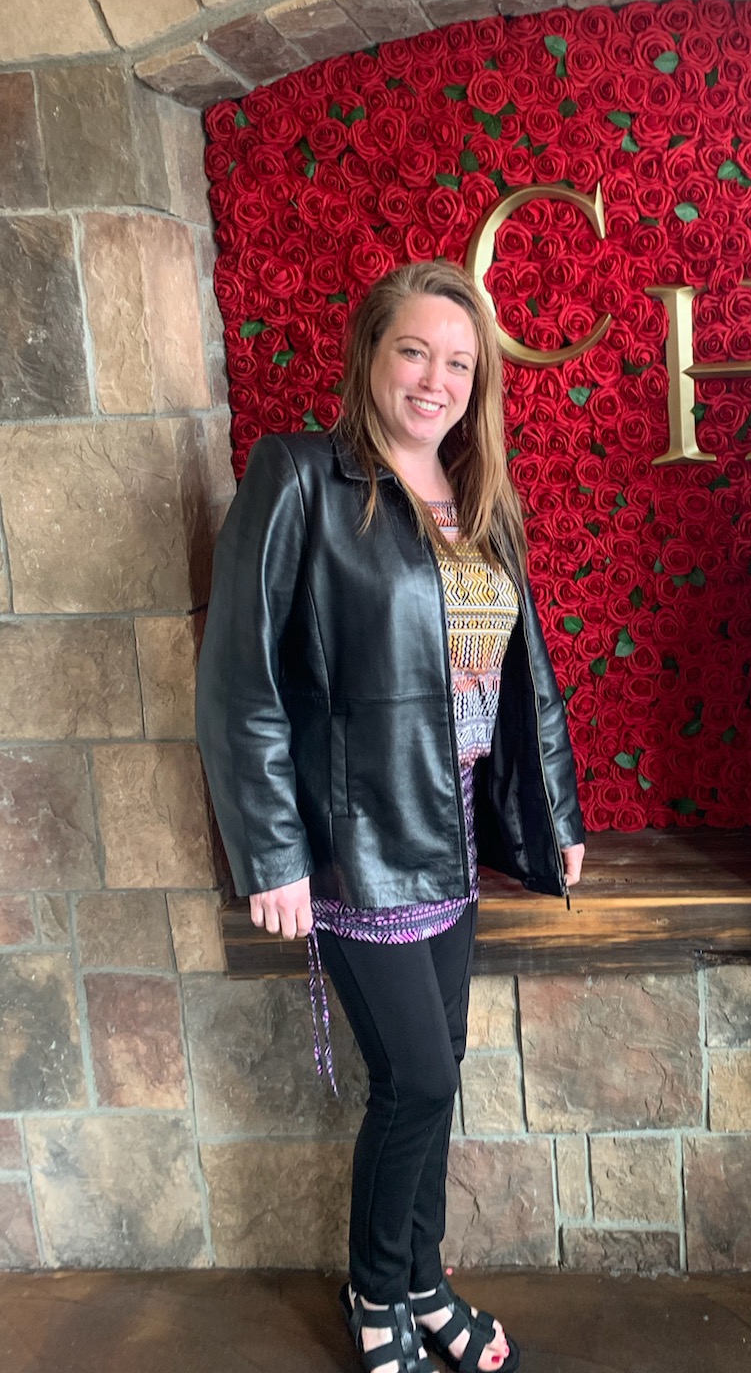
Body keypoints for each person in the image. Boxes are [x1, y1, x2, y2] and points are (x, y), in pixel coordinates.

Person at [197, 259, 585, 1373]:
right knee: (416, 1080)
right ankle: (377, 1294)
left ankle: (424, 1280)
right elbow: (239, 675)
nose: (435, 378)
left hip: (454, 832)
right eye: (414, 350)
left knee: (438, 1070)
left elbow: (527, 678)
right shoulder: (301, 475)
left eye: (459, 362)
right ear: (369, 352)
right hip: (356, 839)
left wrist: (555, 811)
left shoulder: (481, 497)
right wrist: (272, 853)